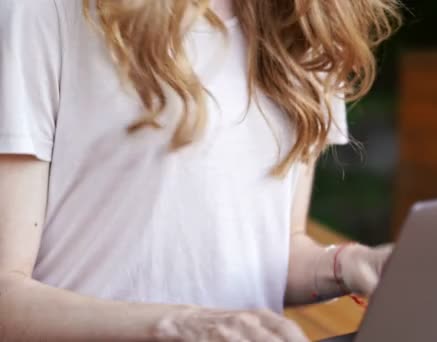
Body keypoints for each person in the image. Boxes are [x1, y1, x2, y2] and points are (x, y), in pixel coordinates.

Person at [0, 0, 401, 340]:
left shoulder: (307, 22)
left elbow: (271, 249)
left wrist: (348, 264)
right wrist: (178, 325)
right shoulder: (42, 11)